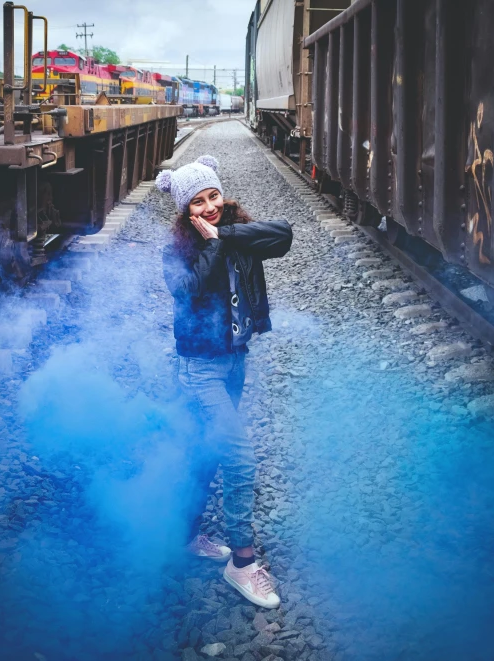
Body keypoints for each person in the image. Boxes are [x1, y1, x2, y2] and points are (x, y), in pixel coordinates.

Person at [157, 155, 292, 609]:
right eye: (197, 202)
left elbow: (284, 235)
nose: (210, 206)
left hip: (235, 362)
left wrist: (225, 234)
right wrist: (214, 246)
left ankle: (186, 535)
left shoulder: (235, 230)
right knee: (239, 458)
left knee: (206, 449)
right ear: (184, 210)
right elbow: (188, 291)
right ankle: (243, 561)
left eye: (213, 195)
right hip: (200, 367)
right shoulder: (175, 250)